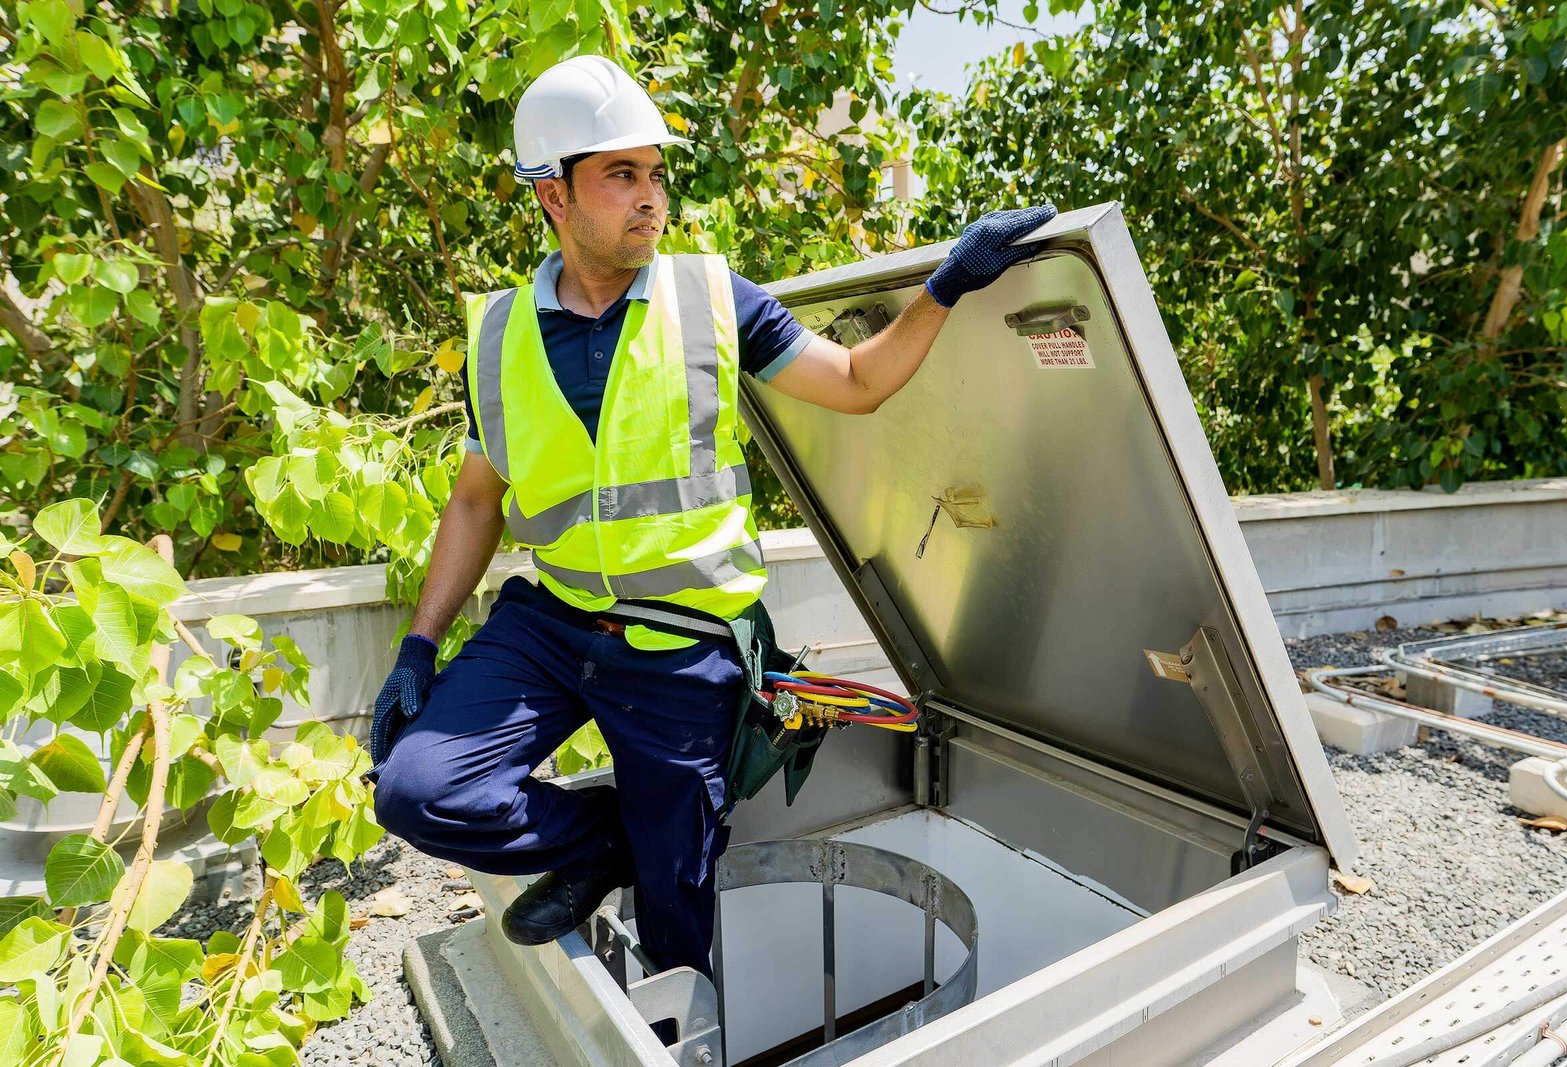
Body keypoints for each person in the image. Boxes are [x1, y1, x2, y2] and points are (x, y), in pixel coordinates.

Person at [366, 53, 1054, 979]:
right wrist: (421, 642)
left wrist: (947, 285)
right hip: (555, 621)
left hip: (684, 646)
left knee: (677, 920)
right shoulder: (496, 335)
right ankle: (604, 840)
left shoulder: (710, 301)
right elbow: (476, 498)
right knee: (417, 790)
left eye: (655, 173)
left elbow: (857, 383)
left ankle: (667, 970)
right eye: (620, 174)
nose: (650, 197)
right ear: (550, 194)